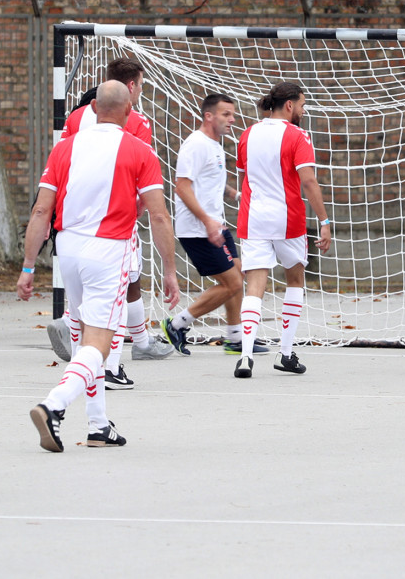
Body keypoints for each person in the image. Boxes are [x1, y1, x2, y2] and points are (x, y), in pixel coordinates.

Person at [20, 80, 180, 452]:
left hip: (68, 250)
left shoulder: (65, 149)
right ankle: (53, 406)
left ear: (92, 110)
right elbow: (158, 216)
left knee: (81, 339)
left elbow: (42, 210)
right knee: (101, 344)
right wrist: (170, 271)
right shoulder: (140, 151)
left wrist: (28, 266)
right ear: (128, 111)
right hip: (109, 250)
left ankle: (98, 425)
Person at [45, 57, 175, 389]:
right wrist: (140, 207)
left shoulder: (75, 118)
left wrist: (30, 264)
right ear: (130, 90)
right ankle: (110, 366)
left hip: (71, 226)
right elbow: (144, 185)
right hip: (114, 224)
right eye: (141, 86)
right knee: (119, 291)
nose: (141, 93)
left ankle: (92, 355)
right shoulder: (137, 123)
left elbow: (62, 166)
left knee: (86, 299)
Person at [231, 82, 332, 378]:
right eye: (301, 105)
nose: (303, 111)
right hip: (287, 219)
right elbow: (309, 181)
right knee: (295, 279)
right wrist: (324, 221)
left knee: (254, 286)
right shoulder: (297, 134)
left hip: (252, 219)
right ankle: (285, 353)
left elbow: (244, 177)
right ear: (289, 105)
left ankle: (246, 357)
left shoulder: (247, 134)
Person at [161, 93, 269, 357]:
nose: (232, 119)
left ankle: (234, 338)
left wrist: (235, 194)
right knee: (232, 282)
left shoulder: (214, 144)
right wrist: (207, 221)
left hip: (214, 226)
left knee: (238, 274)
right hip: (197, 230)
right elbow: (183, 187)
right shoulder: (195, 144)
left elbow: (209, 182)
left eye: (232, 114)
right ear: (209, 116)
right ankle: (176, 324)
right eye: (226, 114)